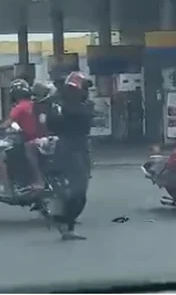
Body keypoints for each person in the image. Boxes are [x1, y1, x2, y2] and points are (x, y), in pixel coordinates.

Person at [49, 71, 94, 240]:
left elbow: (84, 121)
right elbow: (52, 124)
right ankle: (66, 223)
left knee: (80, 189)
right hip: (68, 146)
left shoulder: (80, 106)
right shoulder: (64, 106)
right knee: (77, 189)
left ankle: (66, 223)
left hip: (79, 146)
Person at [0, 79, 47, 194]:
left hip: (29, 140)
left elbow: (7, 123)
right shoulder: (33, 104)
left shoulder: (19, 107)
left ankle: (5, 187)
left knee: (2, 156)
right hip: (41, 139)